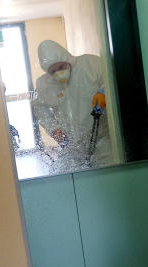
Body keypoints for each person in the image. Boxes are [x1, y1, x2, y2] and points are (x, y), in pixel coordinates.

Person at [32, 39, 111, 170]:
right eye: (53, 71)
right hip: (73, 147)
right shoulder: (44, 84)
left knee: (109, 175)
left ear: (67, 59)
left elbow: (109, 78)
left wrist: (103, 92)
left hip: (102, 140)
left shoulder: (90, 64)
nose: (58, 73)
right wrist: (54, 129)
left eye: (61, 67)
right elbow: (39, 107)